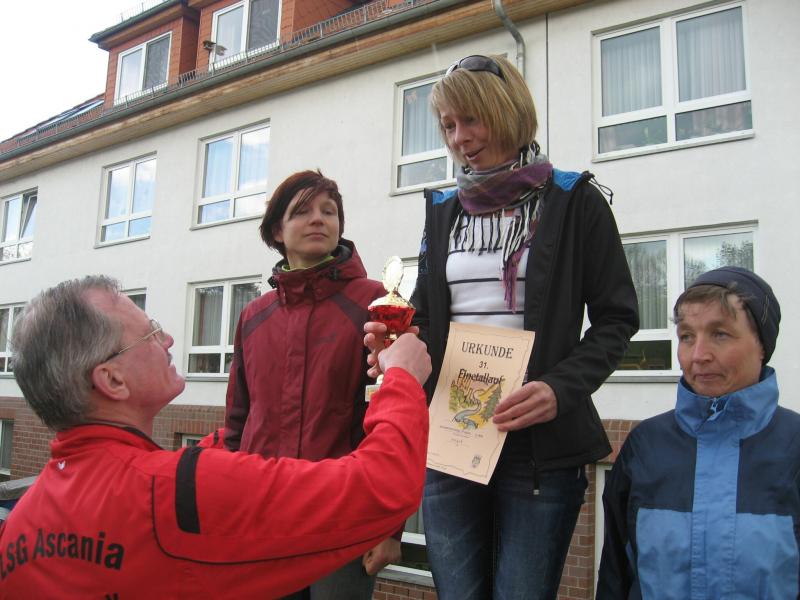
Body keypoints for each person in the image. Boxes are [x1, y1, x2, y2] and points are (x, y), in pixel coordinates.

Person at [367, 54, 638, 599]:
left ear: (507, 111)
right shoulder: (443, 209)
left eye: (471, 120)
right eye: (448, 125)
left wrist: (559, 389)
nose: (459, 139)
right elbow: (429, 314)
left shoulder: (574, 200)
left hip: (538, 446)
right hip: (452, 436)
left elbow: (617, 318)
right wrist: (400, 342)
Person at [0, 275, 431, 598]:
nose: (169, 339)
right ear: (112, 380)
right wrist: (401, 377)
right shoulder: (182, 491)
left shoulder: (21, 524)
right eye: (150, 333)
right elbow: (383, 487)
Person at [224, 169, 401, 599]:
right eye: (302, 211)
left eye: (329, 211)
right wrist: (226, 503)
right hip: (262, 514)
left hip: (342, 518)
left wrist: (390, 525)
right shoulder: (254, 316)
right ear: (277, 231)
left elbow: (392, 416)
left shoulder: (376, 301)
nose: (319, 219)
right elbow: (238, 419)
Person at [597, 267, 799, 599]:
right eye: (687, 336)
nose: (698, 355)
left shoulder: (794, 448)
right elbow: (615, 577)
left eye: (720, 334)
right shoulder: (645, 446)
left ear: (762, 345)